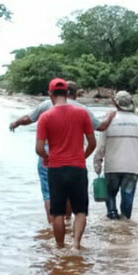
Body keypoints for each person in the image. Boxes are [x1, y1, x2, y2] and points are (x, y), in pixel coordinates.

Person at [10, 81, 115, 223]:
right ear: (75, 94)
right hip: (73, 156)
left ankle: (52, 226)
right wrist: (109, 116)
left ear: (52, 94)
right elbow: (101, 127)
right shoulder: (82, 109)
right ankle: (67, 221)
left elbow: (28, 119)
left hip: (48, 155)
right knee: (71, 193)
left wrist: (15, 123)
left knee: (49, 193)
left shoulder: (46, 105)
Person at [35, 78, 97, 250]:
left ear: (50, 95)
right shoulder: (82, 113)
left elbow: (39, 148)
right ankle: (76, 245)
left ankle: (60, 247)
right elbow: (93, 143)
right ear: (68, 94)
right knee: (80, 211)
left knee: (57, 213)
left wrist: (47, 158)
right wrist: (82, 157)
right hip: (77, 168)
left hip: (55, 169)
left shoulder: (45, 117)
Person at [93, 90, 138, 220]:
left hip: (112, 167)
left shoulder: (108, 121)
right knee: (127, 197)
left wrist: (97, 162)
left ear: (115, 104)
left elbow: (101, 146)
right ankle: (125, 224)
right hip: (132, 168)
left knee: (110, 194)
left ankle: (112, 216)